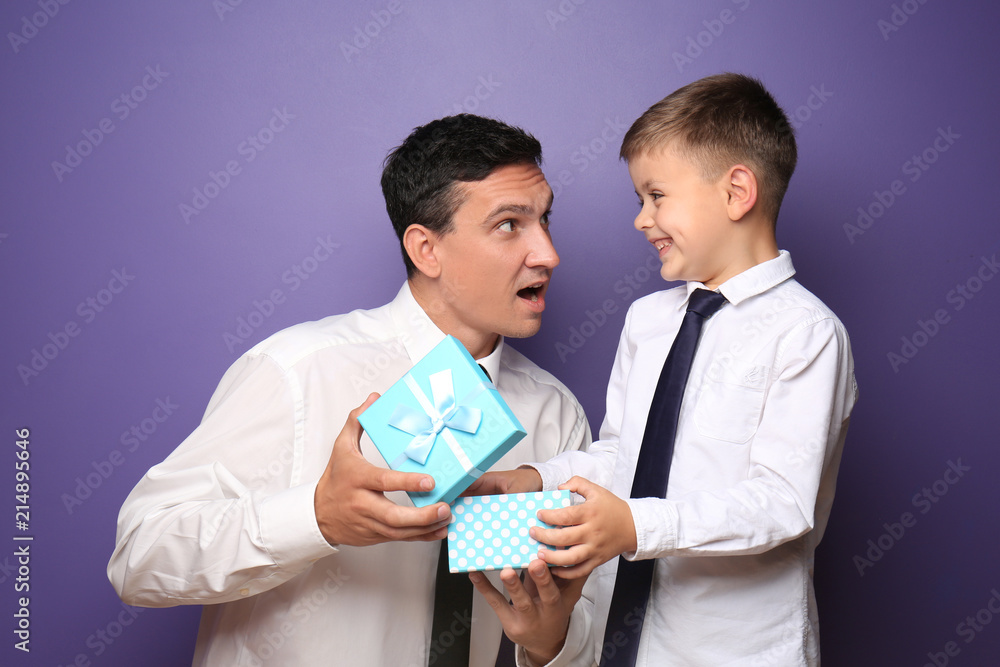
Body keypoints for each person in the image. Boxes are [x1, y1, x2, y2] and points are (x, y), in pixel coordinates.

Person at [107, 114, 593, 666]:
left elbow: (587, 638)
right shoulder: (297, 370)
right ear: (426, 249)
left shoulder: (554, 414)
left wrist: (551, 640)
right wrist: (316, 517)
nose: (548, 254)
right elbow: (137, 560)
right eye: (509, 224)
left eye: (544, 220)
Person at [470, 73, 858, 666]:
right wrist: (537, 479)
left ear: (736, 193)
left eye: (656, 196)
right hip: (632, 643)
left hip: (740, 651)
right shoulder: (648, 320)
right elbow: (624, 454)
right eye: (639, 200)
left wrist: (634, 527)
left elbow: (784, 502)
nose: (640, 220)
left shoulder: (805, 335)